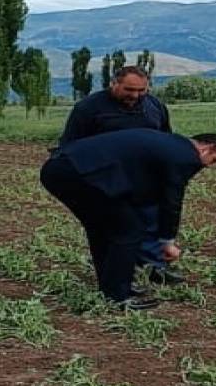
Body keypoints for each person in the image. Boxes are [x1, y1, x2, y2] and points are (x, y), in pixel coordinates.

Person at [41, 129, 216, 309]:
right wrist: (167, 241)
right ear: (206, 148)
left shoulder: (170, 144)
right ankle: (118, 296)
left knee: (103, 228)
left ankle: (111, 288)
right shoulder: (186, 156)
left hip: (60, 169)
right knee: (128, 231)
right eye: (213, 160)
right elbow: (171, 200)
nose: (207, 166)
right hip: (80, 174)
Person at [58, 65, 181, 285]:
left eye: (141, 90)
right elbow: (70, 147)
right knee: (116, 230)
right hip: (106, 181)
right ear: (113, 83)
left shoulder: (155, 106)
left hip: (145, 178)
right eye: (129, 90)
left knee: (151, 221)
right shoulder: (88, 108)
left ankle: (154, 268)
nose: (135, 96)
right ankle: (119, 277)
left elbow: (165, 140)